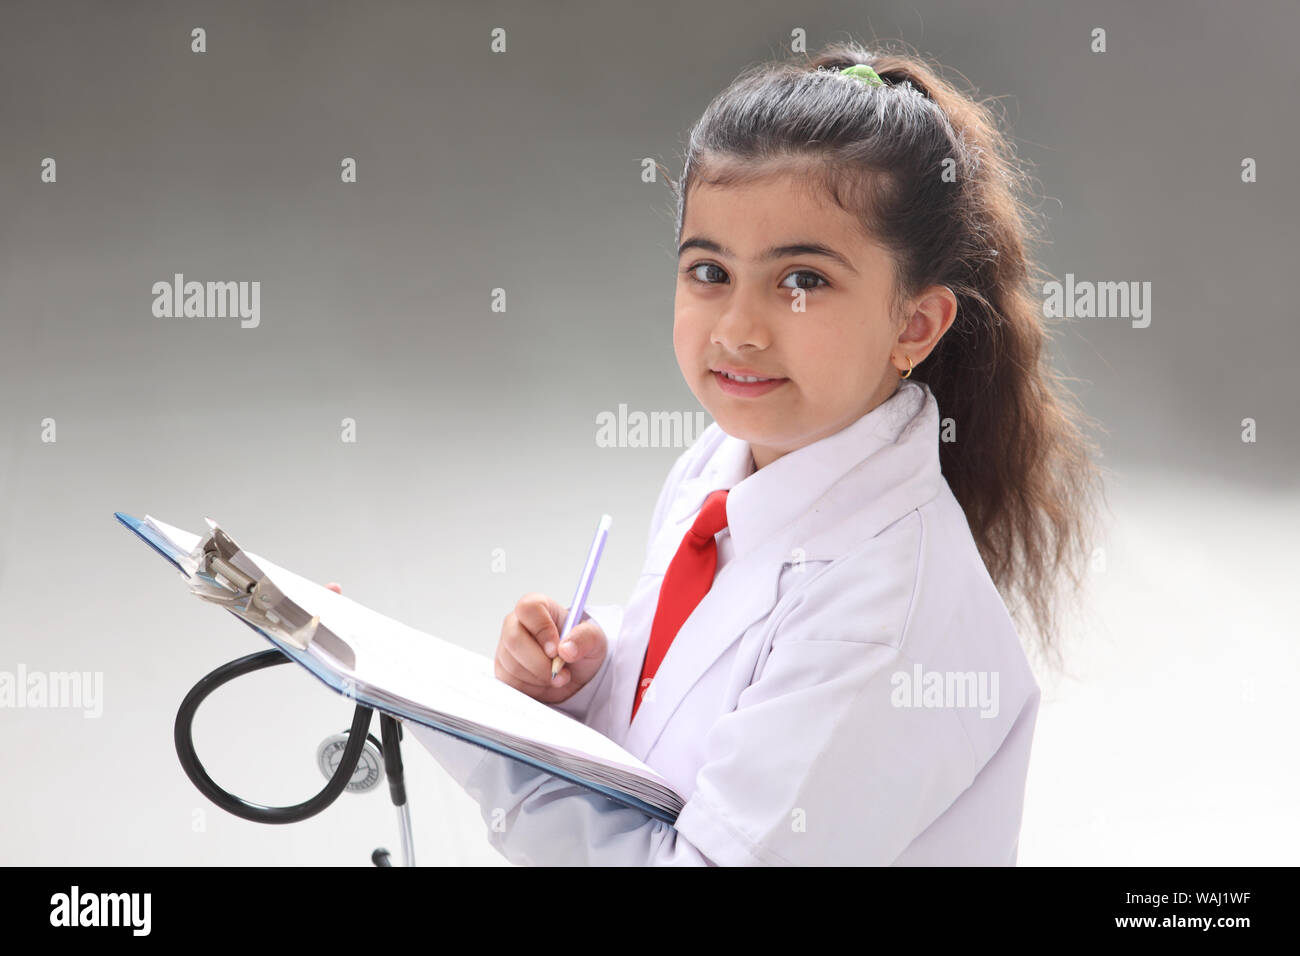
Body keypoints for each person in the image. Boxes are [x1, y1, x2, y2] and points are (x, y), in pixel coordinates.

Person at [375, 40, 1103, 865]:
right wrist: (586, 679)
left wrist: (489, 740)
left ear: (914, 326)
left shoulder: (884, 613)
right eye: (710, 271)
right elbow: (706, 688)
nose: (739, 330)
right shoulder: (725, 462)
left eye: (803, 281)